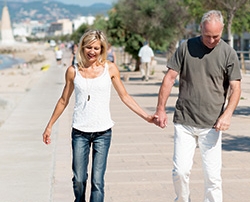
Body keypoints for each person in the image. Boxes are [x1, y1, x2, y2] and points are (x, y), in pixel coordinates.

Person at [42, 29, 154, 202]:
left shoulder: (110, 68)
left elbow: (125, 96)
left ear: (102, 49)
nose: (92, 51)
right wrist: (49, 125)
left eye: (96, 48)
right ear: (82, 48)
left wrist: (146, 116)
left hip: (103, 132)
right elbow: (64, 100)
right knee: (79, 179)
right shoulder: (73, 71)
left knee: (97, 182)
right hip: (80, 131)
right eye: (89, 47)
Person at [153, 10, 241, 202]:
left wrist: (227, 114)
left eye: (216, 36)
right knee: (180, 172)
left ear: (223, 30)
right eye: (207, 35)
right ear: (200, 28)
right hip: (185, 121)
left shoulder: (228, 53)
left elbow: (236, 87)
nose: (211, 40)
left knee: (213, 178)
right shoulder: (186, 47)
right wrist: (160, 109)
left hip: (212, 125)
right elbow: (169, 78)